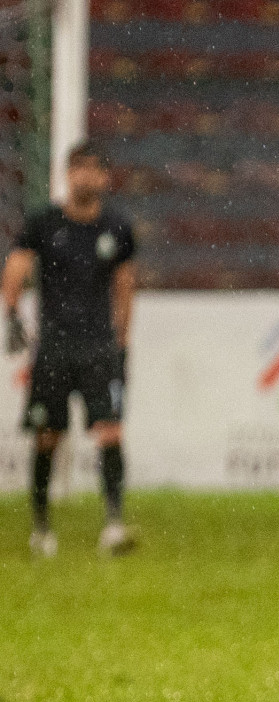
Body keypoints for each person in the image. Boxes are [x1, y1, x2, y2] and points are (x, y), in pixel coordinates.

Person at [2, 141, 138, 557]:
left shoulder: (116, 228)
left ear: (104, 178)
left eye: (92, 168)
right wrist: (11, 313)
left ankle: (114, 524)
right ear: (67, 174)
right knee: (47, 435)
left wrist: (123, 340)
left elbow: (125, 284)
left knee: (110, 431)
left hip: (99, 349)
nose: (84, 175)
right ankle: (42, 528)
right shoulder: (44, 223)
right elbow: (17, 266)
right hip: (54, 350)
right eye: (77, 167)